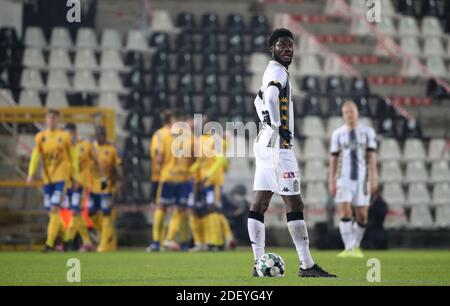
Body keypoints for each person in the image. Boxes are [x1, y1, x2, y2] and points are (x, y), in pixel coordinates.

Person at [249, 28, 335, 277]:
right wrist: (277, 126)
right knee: (294, 201)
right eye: (282, 44)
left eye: (291, 45)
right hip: (278, 146)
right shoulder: (278, 72)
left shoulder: (269, 71)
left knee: (260, 202)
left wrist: (266, 122)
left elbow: (258, 99)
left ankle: (257, 263)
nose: (288, 49)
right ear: (272, 48)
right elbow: (273, 96)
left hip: (264, 143)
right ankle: (306, 265)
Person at [328, 100, 378, 258]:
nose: (349, 115)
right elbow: (333, 159)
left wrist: (374, 179)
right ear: (343, 115)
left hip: (363, 179)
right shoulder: (337, 134)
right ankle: (349, 248)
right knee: (345, 210)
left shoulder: (368, 132)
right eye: (346, 112)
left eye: (351, 111)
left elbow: (372, 158)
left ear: (357, 113)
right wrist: (331, 180)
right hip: (343, 179)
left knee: (362, 215)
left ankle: (355, 245)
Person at [26, 109, 78, 252]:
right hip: (48, 179)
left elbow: (73, 157)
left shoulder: (65, 136)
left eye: (54, 118)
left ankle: (49, 244)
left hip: (62, 178)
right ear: (45, 120)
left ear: (58, 120)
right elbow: (35, 156)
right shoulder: (40, 137)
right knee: (51, 212)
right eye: (49, 118)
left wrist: (75, 177)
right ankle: (67, 238)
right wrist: (30, 174)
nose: (51, 120)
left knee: (55, 209)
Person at [149, 110, 192, 251]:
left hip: (167, 176)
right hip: (183, 176)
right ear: (170, 120)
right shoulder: (185, 134)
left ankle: (157, 242)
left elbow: (158, 157)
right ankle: (175, 240)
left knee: (162, 207)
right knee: (181, 209)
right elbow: (192, 156)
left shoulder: (160, 135)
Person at [89, 126, 121, 252]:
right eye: (98, 133)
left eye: (102, 133)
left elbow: (118, 166)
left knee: (106, 213)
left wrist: (118, 183)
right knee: (92, 213)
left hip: (107, 186)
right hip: (92, 186)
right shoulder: (91, 148)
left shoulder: (111, 149)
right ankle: (107, 234)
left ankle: (102, 245)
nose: (100, 136)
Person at [63, 123, 94, 251]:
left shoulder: (85, 145)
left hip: (81, 184)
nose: (67, 137)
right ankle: (85, 242)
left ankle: (68, 240)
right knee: (75, 213)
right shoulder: (65, 147)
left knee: (75, 211)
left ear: (74, 133)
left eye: (69, 134)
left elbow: (96, 160)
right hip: (69, 185)